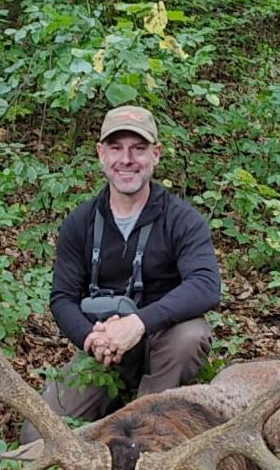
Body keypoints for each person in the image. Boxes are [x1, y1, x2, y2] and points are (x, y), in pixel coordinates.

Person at [26, 105, 220, 436]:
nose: (126, 159)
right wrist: (90, 338)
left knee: (189, 336)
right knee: (37, 434)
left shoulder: (182, 220)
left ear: (156, 154)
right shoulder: (80, 223)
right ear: (101, 154)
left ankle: (148, 426)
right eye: (116, 148)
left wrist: (138, 323)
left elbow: (205, 285)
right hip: (103, 348)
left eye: (138, 149)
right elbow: (62, 298)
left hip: (163, 343)